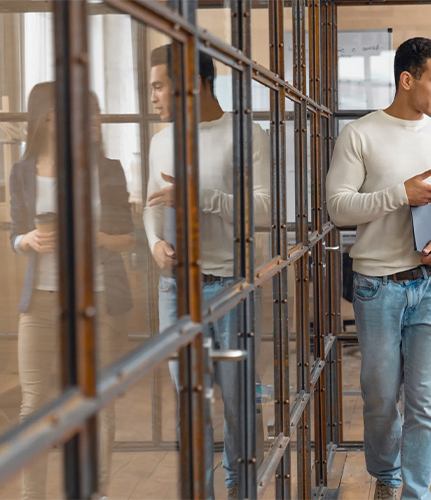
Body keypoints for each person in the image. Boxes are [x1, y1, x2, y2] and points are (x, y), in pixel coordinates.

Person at [326, 37, 431, 500]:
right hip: (376, 288)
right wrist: (399, 195)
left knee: (425, 401)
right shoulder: (360, 134)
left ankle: (414, 493)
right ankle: (386, 478)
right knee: (379, 400)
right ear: (407, 79)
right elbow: (338, 209)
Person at [143, 45, 271, 499]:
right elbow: (150, 207)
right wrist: (155, 243)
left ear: (193, 84)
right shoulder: (162, 140)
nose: (153, 96)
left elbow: (265, 209)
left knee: (238, 404)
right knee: (189, 405)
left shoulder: (245, 132)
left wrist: (204, 199)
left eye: (159, 86)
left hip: (230, 287)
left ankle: (241, 491)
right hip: (175, 290)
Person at [9, 83, 134, 499]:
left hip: (94, 297)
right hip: (40, 302)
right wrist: (27, 239)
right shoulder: (22, 172)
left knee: (96, 403)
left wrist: (92, 235)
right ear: (45, 117)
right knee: (32, 406)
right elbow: (14, 233)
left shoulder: (106, 168)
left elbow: (127, 239)